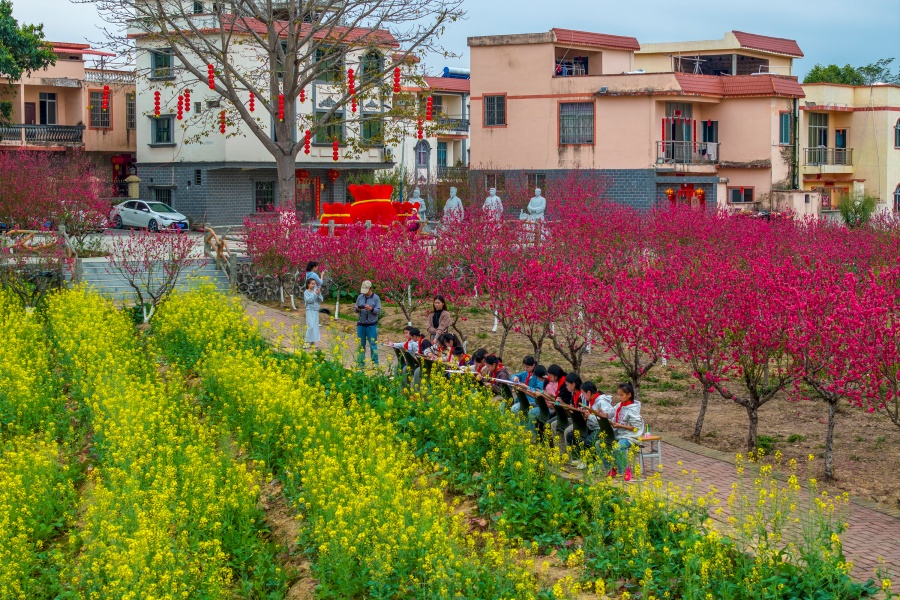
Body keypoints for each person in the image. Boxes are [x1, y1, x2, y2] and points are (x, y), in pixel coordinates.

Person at [597, 383, 644, 480]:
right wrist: (601, 414)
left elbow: (635, 427)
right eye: (617, 394)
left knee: (618, 448)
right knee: (599, 444)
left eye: (621, 395)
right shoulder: (619, 405)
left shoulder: (633, 409)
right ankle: (611, 467)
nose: (619, 397)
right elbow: (609, 414)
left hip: (630, 436)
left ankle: (625, 470)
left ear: (629, 395)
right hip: (618, 433)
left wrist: (620, 425)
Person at [567, 381, 615, 468]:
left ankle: (592, 463)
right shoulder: (591, 400)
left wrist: (589, 416)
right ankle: (578, 458)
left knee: (588, 441)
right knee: (572, 435)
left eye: (583, 394)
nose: (583, 396)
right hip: (592, 426)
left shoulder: (601, 402)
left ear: (589, 392)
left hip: (602, 428)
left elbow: (604, 419)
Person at [551, 373, 582, 453]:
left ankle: (569, 455)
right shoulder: (573, 394)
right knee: (554, 424)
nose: (566, 387)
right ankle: (560, 451)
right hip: (573, 418)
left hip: (580, 421)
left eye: (567, 385)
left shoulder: (581, 395)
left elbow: (577, 410)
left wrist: (565, 405)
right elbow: (571, 407)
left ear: (574, 384)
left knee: (567, 431)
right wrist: (562, 403)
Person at [354, 280, 381, 367]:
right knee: (361, 345)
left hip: (371, 325)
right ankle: (360, 363)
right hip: (361, 324)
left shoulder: (376, 298)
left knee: (373, 345)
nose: (364, 294)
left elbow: (378, 311)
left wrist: (371, 309)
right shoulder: (360, 297)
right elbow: (355, 309)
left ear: (370, 289)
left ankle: (375, 364)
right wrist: (357, 309)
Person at [303, 278, 324, 348]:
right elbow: (310, 300)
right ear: (308, 284)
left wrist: (318, 294)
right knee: (310, 326)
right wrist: (315, 294)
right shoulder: (306, 292)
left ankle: (312, 343)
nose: (313, 285)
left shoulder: (316, 291)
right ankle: (306, 342)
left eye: (314, 284)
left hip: (316, 310)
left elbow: (321, 299)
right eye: (312, 284)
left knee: (315, 327)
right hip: (310, 310)